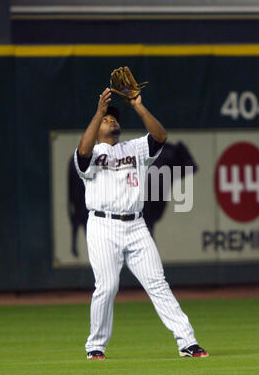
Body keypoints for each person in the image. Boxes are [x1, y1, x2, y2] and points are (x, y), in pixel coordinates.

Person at [74, 87, 208, 360]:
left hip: (136, 226)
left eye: (114, 118)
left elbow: (160, 136)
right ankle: (95, 346)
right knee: (107, 286)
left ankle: (188, 342)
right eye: (106, 119)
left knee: (158, 283)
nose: (112, 120)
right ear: (97, 127)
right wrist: (98, 111)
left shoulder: (134, 148)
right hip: (103, 226)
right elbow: (84, 152)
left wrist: (138, 106)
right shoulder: (92, 151)